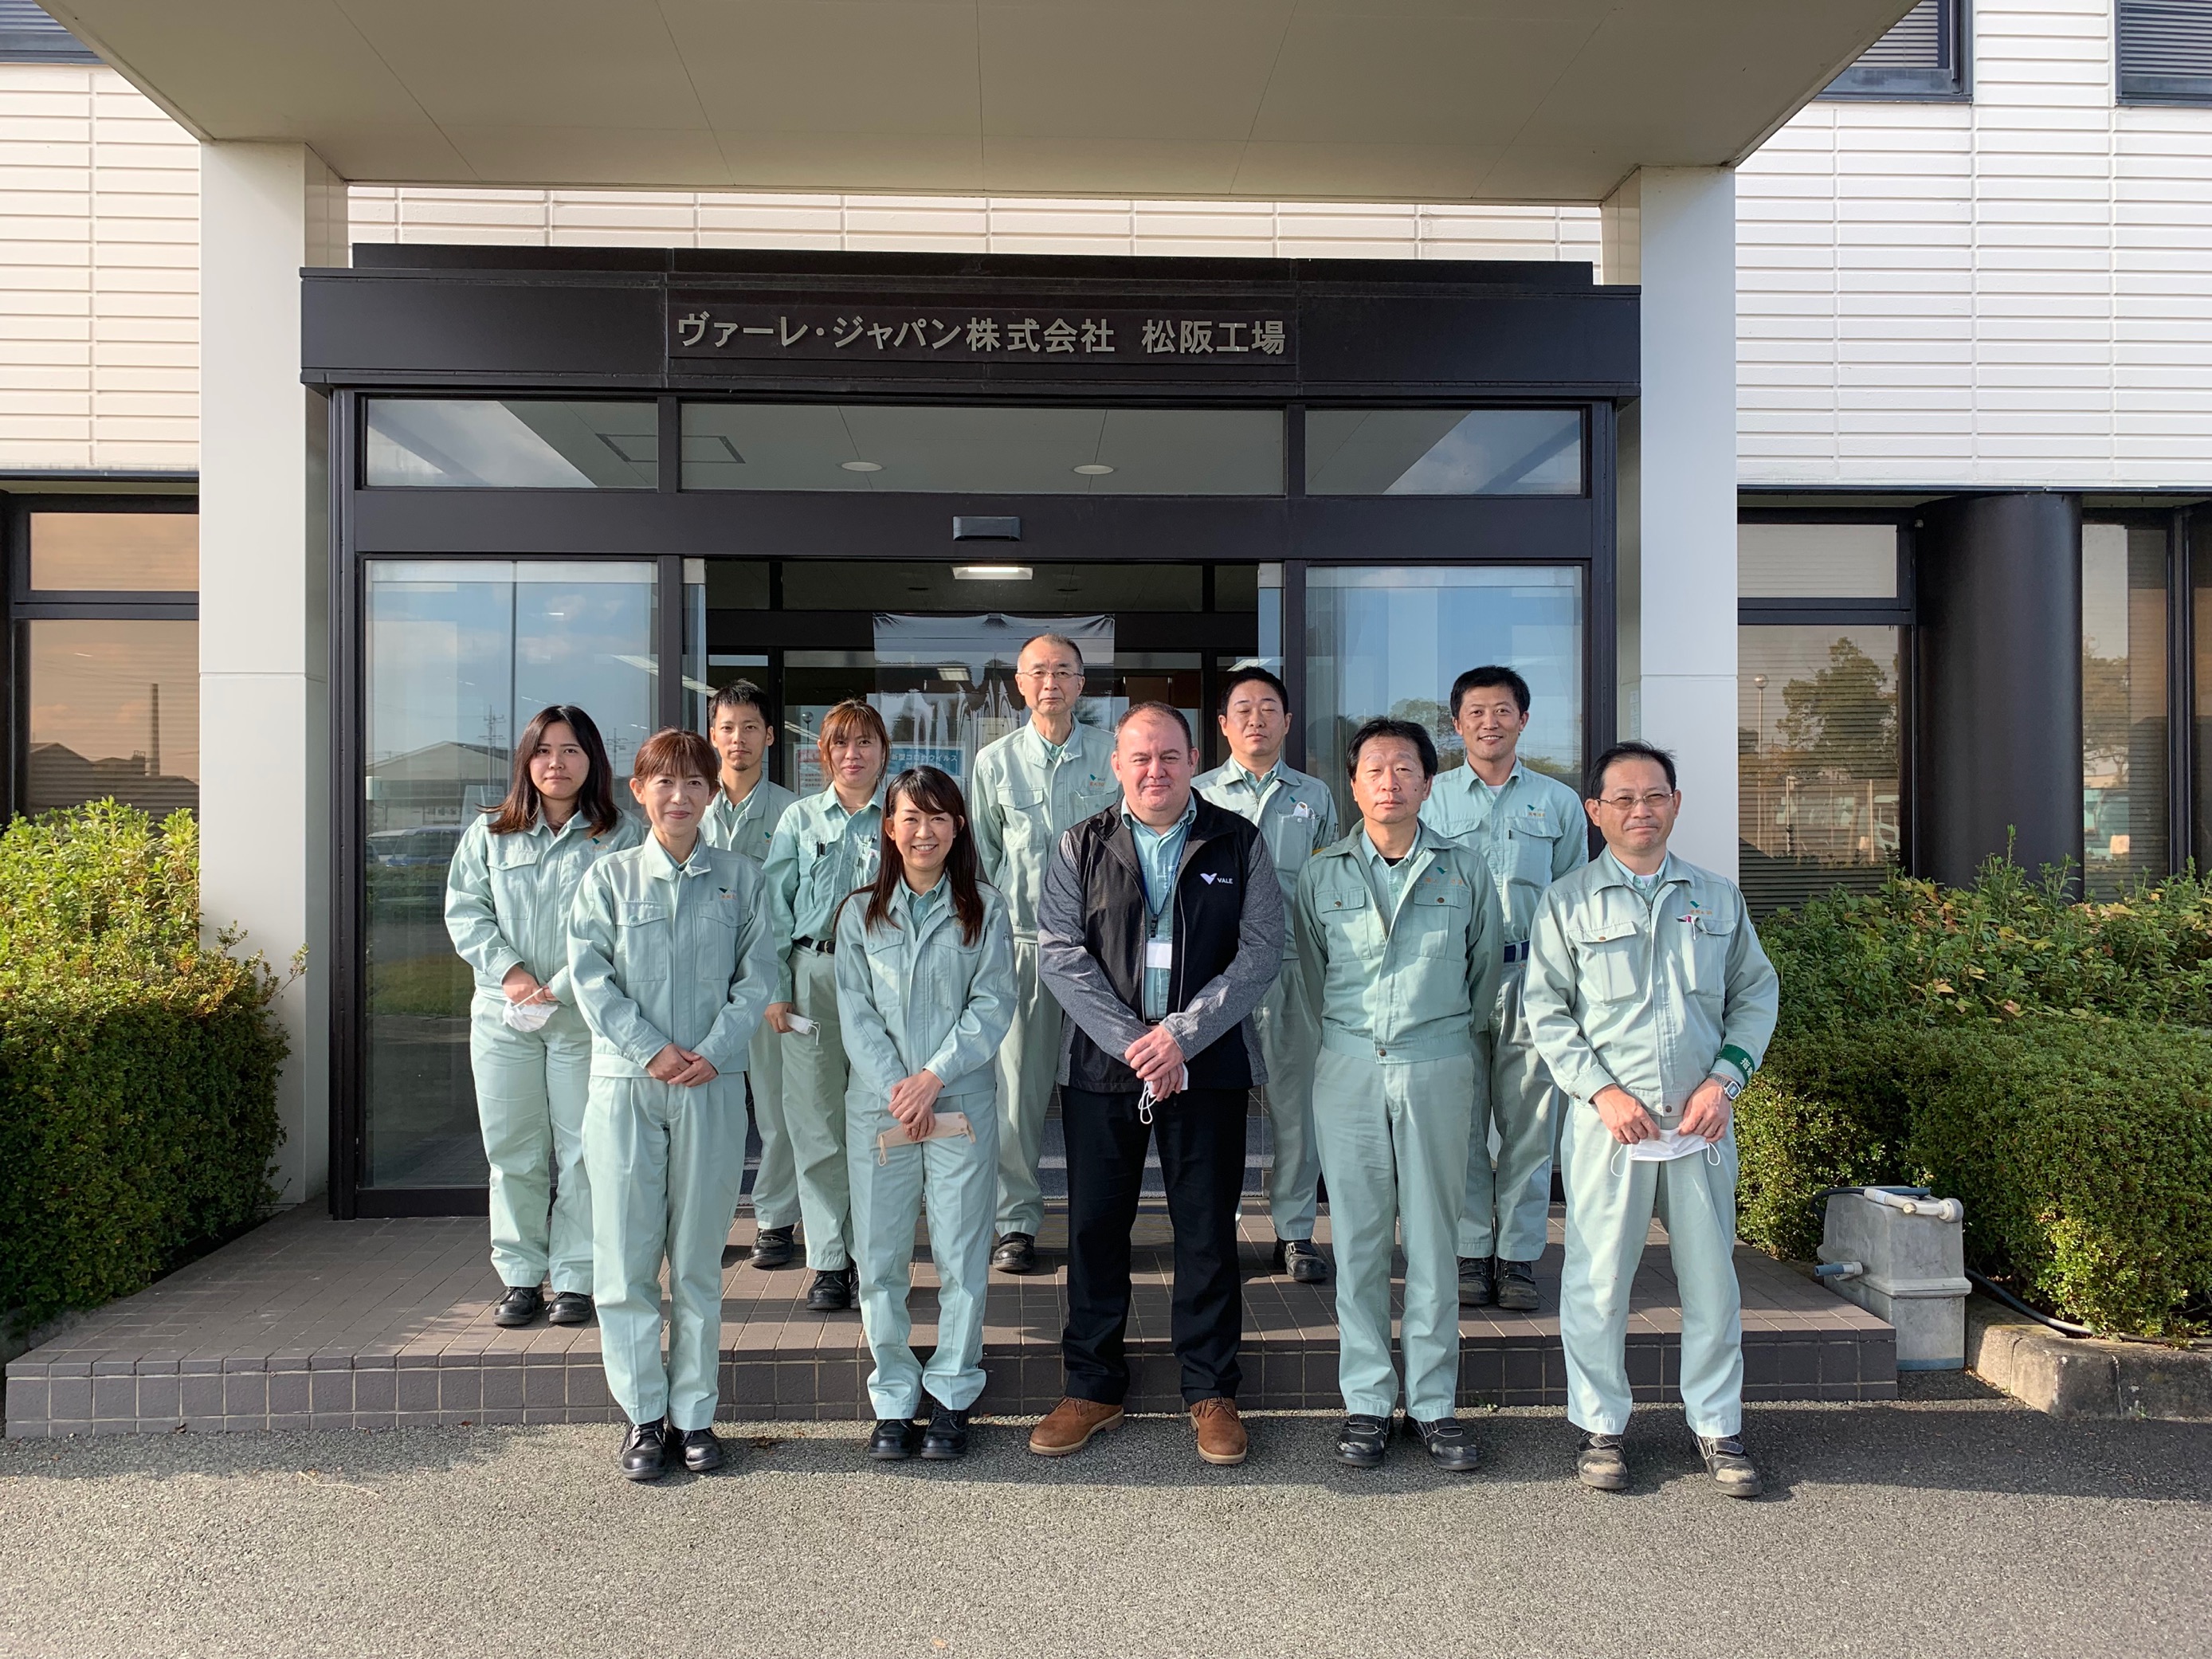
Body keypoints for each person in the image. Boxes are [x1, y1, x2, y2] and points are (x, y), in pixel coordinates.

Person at [1524, 740, 1781, 1499]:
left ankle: (1718, 1426)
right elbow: (1545, 1009)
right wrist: (1600, 1092)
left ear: (1675, 803)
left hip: (1700, 1123)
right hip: (1613, 1126)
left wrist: (1725, 1082)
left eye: (1656, 796)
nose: (1642, 810)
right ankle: (1601, 1428)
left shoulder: (1717, 897)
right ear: (1595, 812)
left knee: (1711, 1281)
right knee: (1599, 1281)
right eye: (1624, 799)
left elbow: (1754, 994)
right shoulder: (1568, 902)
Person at [1030, 702, 1283, 1469]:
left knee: (1206, 1229)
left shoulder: (1237, 840)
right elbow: (1059, 952)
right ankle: (1092, 1387)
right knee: (1094, 1228)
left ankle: (1211, 1391)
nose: (1154, 771)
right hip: (1105, 1069)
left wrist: (1180, 1036)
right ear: (1115, 765)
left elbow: (1261, 950)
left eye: (1169, 756)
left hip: (1205, 1064)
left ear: (1193, 758)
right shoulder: (1080, 843)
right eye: (1139, 758)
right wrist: (1137, 1043)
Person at [1294, 718, 1501, 1471]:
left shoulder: (1466, 868)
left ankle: (1437, 1403)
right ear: (1353, 785)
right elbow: (1311, 976)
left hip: (1439, 1062)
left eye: (1405, 768)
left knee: (1436, 1241)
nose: (1390, 782)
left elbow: (1485, 977)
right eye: (1375, 769)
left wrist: (1437, 1040)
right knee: (1357, 1240)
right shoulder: (1323, 873)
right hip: (1347, 1066)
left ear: (1427, 781)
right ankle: (1368, 1402)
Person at [567, 728, 773, 1481]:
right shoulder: (608, 880)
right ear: (639, 791)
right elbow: (589, 978)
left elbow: (758, 977)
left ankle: (694, 1416)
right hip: (629, 1087)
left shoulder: (741, 878)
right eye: (665, 783)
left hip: (710, 1088)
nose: (680, 797)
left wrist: (715, 1050)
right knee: (624, 1261)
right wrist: (649, 1049)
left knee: (694, 1263)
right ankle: (643, 1419)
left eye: (694, 784)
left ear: (712, 794)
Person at [835, 767, 1017, 1463]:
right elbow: (855, 1011)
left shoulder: (985, 908)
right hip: (881, 1111)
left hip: (959, 1105)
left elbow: (991, 1004)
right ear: (889, 828)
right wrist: (899, 1089)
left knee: (961, 1255)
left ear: (959, 826)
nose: (924, 830)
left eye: (938, 817)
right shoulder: (860, 914)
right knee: (879, 1258)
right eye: (910, 818)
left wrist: (933, 1078)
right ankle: (893, 1398)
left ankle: (951, 1390)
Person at [444, 704, 640, 1329]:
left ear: (593, 761)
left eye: (571, 751)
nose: (557, 764)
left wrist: (558, 984)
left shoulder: (620, 835)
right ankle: (522, 1276)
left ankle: (577, 1276)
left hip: (582, 1018)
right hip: (505, 1015)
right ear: (526, 760)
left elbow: (622, 925)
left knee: (585, 1150)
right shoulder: (491, 832)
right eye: (544, 751)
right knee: (514, 1151)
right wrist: (514, 975)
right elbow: (465, 912)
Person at [1419, 665, 1590, 1313]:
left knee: (1530, 1123)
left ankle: (1517, 1258)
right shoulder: (1432, 799)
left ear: (1523, 719)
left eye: (1502, 711)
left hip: (1533, 977)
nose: (1489, 722)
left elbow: (1575, 897)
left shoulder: (1558, 803)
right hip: (1452, 979)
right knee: (1459, 1123)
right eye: (1475, 712)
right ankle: (1470, 1251)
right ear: (1456, 723)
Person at [968, 633, 1122, 1277]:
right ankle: (1015, 1222)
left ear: (1082, 684)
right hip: (1024, 952)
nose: (1052, 681)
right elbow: (981, 864)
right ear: (1021, 687)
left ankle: (1102, 1220)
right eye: (1039, 672)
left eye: (1064, 670)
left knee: (1103, 1093)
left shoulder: (1111, 759)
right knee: (1017, 1097)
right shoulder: (994, 764)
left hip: (1102, 957)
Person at [1195, 665, 1339, 1284]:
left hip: (1291, 970)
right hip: (1214, 976)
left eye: (1268, 708)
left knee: (1294, 1108)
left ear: (1286, 721)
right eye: (1243, 709)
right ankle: (1210, 1233)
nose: (1256, 719)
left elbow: (1330, 885)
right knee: (1212, 1109)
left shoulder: (1316, 796)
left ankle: (1296, 1232)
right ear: (1223, 724)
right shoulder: (1196, 793)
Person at [763, 700, 889, 1312]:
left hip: (880, 977)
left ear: (883, 752)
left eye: (865, 743)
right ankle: (829, 1261)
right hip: (811, 971)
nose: (853, 754)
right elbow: (772, 909)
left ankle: (873, 1252)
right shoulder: (799, 819)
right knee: (815, 1121)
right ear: (825, 755)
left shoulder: (901, 815)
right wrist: (777, 990)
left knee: (874, 1119)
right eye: (841, 745)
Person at [699, 680, 802, 1270]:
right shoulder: (690, 805)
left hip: (763, 988)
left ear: (769, 736)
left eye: (750, 728)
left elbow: (788, 906)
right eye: (728, 727)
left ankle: (773, 1219)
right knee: (709, 1115)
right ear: (714, 734)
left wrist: (778, 988)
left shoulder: (790, 811)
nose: (738, 739)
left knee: (775, 1110)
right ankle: (707, 1223)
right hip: (700, 990)